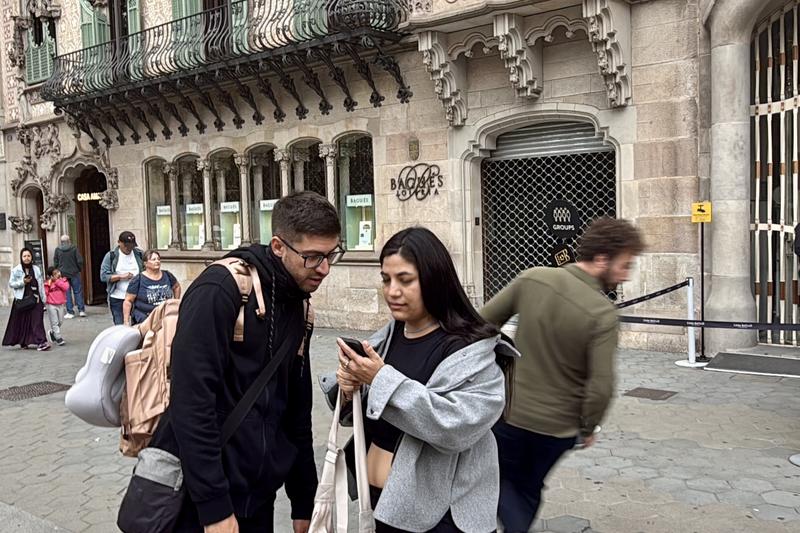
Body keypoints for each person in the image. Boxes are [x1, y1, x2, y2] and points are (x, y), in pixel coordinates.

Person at [147, 191, 343, 533]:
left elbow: (296, 411)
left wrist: (303, 499)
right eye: (312, 257)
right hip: (198, 501)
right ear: (279, 246)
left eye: (331, 255)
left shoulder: (299, 305)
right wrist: (214, 508)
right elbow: (191, 405)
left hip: (258, 498)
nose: (324, 269)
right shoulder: (220, 289)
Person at [334, 227, 517, 533]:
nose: (392, 291)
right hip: (383, 505)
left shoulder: (473, 353)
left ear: (434, 279)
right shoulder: (388, 338)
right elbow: (377, 413)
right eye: (386, 279)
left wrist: (381, 380)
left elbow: (454, 426)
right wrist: (351, 390)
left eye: (405, 280)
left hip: (441, 517)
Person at [480, 217, 645, 533]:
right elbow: (602, 386)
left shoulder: (533, 279)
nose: (626, 274)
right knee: (527, 488)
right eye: (624, 265)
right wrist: (587, 426)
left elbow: (480, 324)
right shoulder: (602, 314)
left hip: (509, 415)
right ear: (600, 259)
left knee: (498, 481)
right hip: (558, 430)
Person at [3, 248, 50, 351]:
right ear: (21, 257)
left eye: (28, 256)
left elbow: (40, 284)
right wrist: (22, 282)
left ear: (31, 257)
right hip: (22, 300)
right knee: (23, 322)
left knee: (37, 321)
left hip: (36, 299)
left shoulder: (36, 269)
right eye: (24, 256)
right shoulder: (16, 270)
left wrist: (43, 299)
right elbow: (11, 284)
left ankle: (41, 342)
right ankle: (24, 341)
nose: (27, 258)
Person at [122, 250, 181, 326]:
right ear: (145, 263)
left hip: (165, 317)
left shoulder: (167, 275)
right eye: (153, 259)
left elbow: (176, 287)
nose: (157, 261)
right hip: (145, 318)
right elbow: (128, 301)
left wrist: (175, 302)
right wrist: (126, 321)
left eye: (158, 259)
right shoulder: (138, 279)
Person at [99, 231, 144, 325]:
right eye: (126, 246)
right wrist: (120, 276)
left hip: (136, 297)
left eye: (132, 246)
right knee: (120, 327)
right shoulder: (111, 256)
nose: (129, 248)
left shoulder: (139, 254)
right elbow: (103, 276)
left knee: (139, 325)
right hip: (117, 298)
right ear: (119, 242)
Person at [53, 234, 86, 318]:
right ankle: (81, 310)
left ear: (61, 242)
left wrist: (58, 271)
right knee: (77, 291)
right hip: (74, 273)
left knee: (66, 293)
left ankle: (70, 312)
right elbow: (80, 260)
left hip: (63, 274)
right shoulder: (74, 248)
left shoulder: (58, 250)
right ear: (69, 241)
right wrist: (78, 269)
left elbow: (55, 262)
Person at [44, 266, 69, 346]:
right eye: (55, 274)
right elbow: (45, 293)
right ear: (51, 276)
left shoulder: (63, 280)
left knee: (60, 321)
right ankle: (58, 337)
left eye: (58, 272)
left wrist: (57, 281)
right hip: (51, 304)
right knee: (54, 321)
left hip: (61, 304)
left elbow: (66, 287)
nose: (57, 274)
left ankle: (52, 332)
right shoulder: (48, 283)